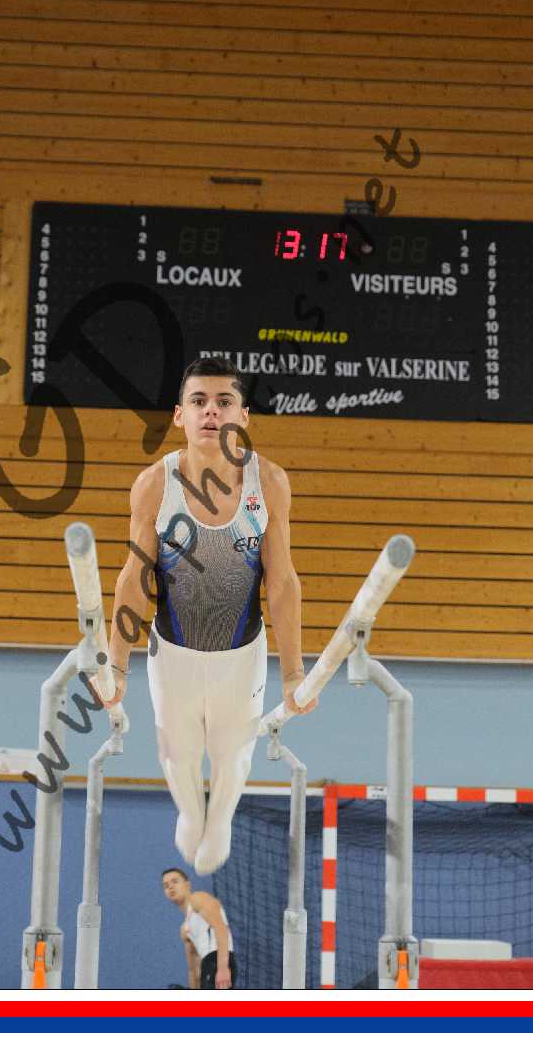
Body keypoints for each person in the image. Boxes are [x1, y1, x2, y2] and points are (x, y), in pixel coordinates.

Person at [96, 355, 317, 875]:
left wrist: (293, 673)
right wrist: (116, 665)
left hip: (242, 654)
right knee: (177, 754)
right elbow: (134, 577)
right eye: (198, 401)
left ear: (243, 416)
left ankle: (220, 820)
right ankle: (191, 812)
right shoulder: (156, 484)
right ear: (179, 416)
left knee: (233, 754)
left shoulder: (269, 482)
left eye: (224, 402)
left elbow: (282, 581)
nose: (211, 411)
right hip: (170, 652)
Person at [162, 866, 237, 989]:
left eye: (175, 881)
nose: (170, 887)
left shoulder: (198, 898)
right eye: (166, 886)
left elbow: (221, 928)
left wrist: (223, 968)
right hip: (207, 967)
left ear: (187, 885)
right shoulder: (184, 930)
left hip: (219, 961)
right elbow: (193, 970)